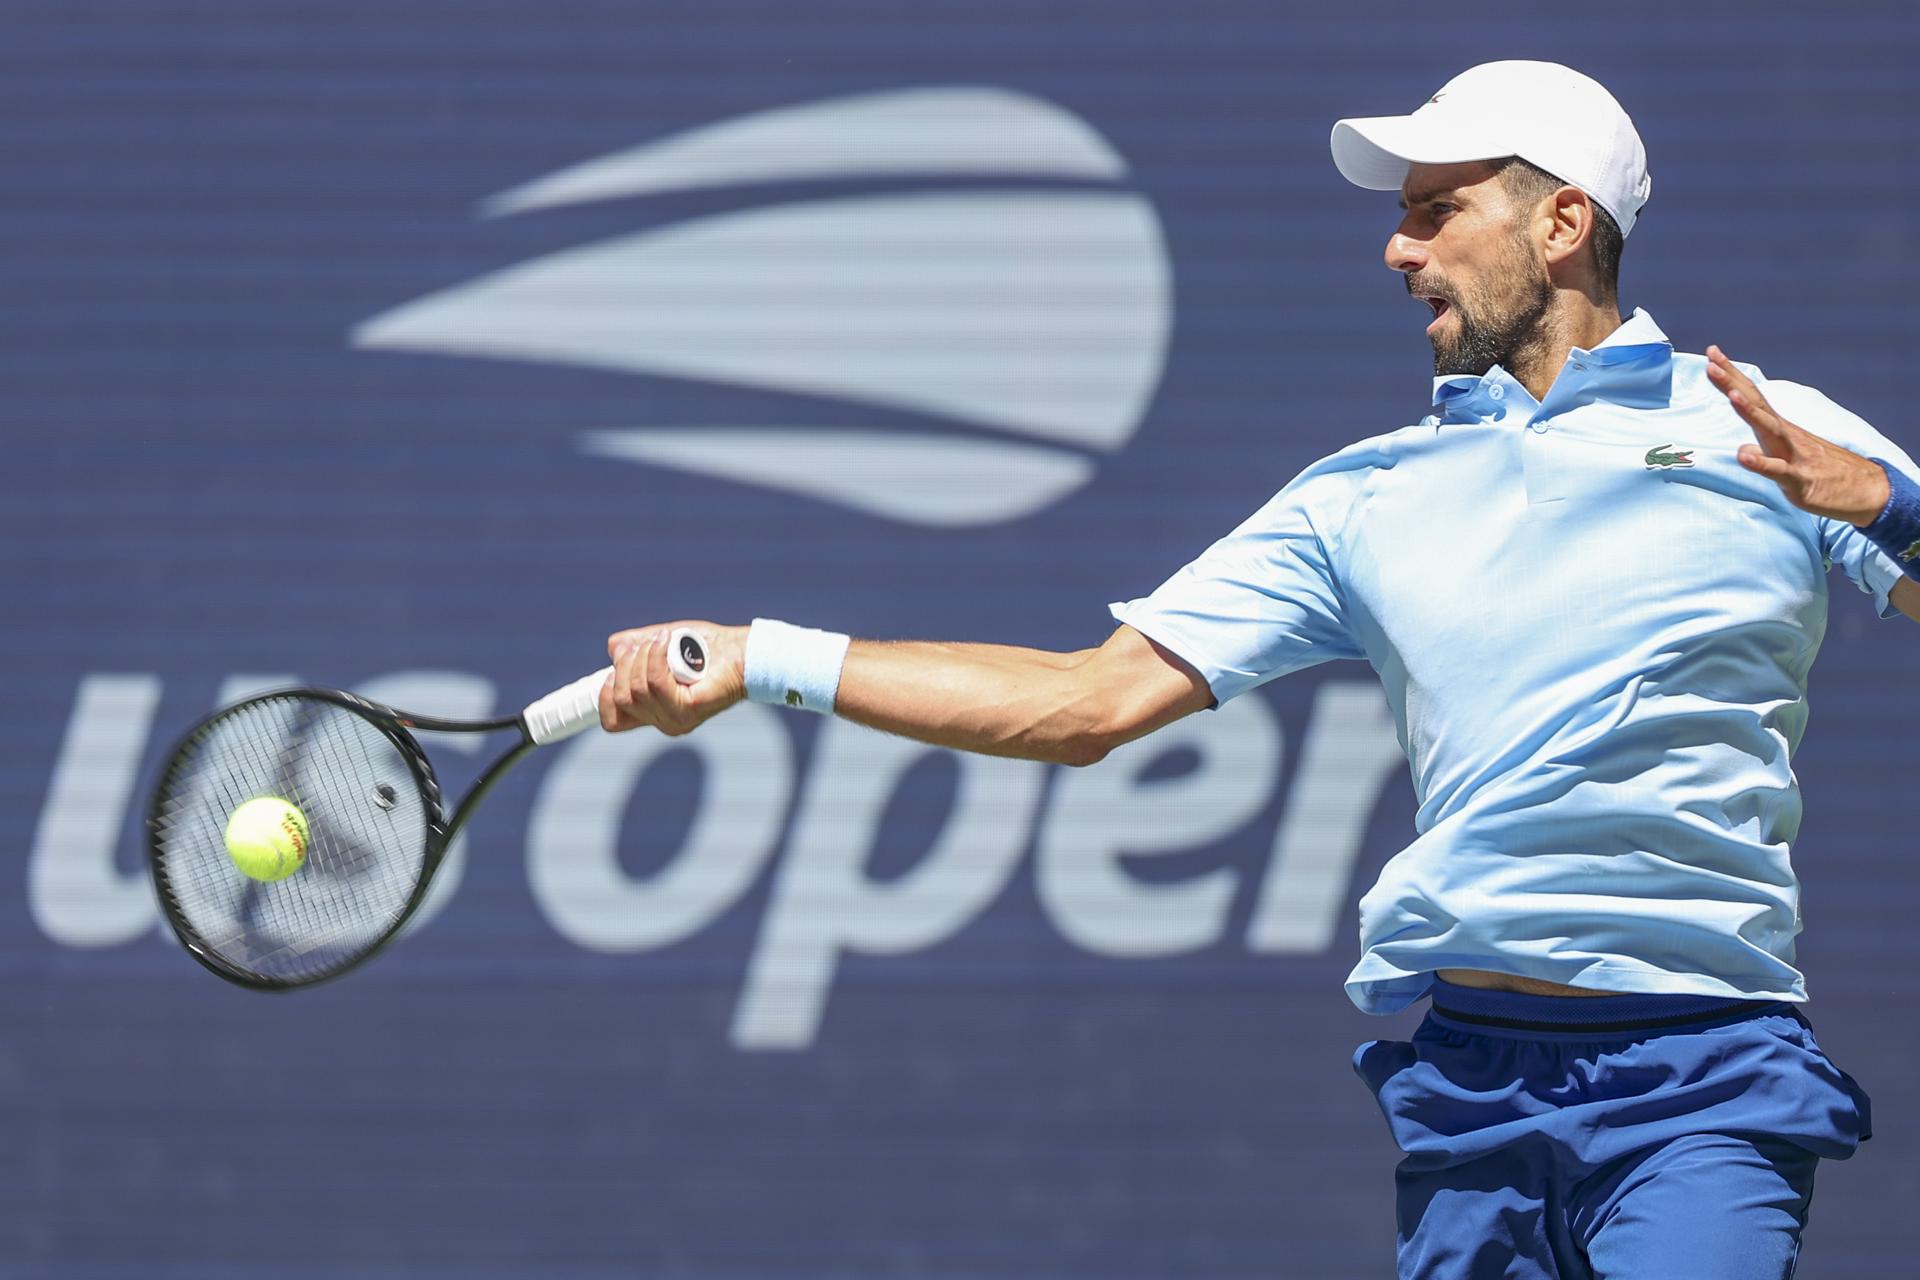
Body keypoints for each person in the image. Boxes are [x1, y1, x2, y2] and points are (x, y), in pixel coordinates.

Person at [595, 61, 1919, 1280]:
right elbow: (1083, 703)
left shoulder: (1771, 435)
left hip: (1700, 1081)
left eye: (1435, 211)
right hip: (1470, 1091)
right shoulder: (1362, 498)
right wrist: (768, 657)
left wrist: (1881, 505)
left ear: (1560, 226)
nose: (1397, 248)